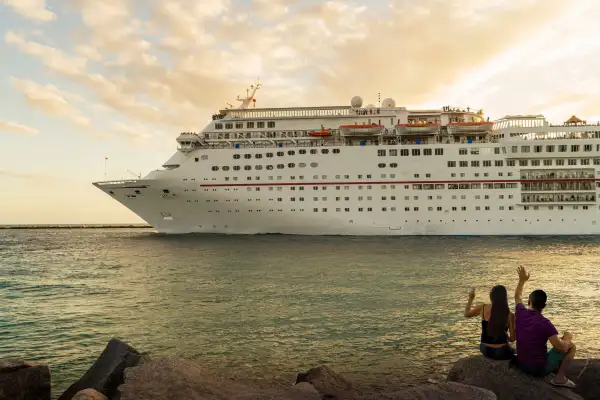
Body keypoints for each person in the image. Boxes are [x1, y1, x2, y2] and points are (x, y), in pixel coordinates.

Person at [514, 266, 576, 388]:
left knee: (560, 340)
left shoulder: (520, 312)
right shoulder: (545, 323)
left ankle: (555, 371)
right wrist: (568, 337)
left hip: (521, 364)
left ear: (528, 302)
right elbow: (561, 348)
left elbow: (517, 296)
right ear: (544, 306)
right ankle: (559, 378)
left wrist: (522, 281)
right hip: (537, 370)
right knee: (571, 346)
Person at [464, 285, 515, 360]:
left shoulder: (483, 308)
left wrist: (471, 298)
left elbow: (466, 314)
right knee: (517, 352)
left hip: (484, 349)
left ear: (491, 296)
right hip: (502, 352)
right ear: (504, 298)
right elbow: (512, 339)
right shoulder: (510, 314)